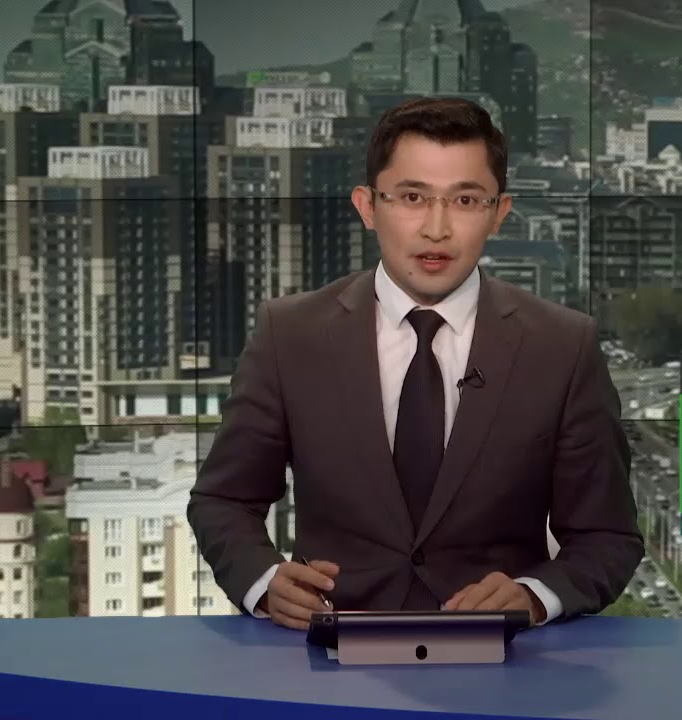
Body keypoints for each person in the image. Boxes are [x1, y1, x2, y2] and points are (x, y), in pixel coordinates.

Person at [188, 96, 643, 631]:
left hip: (502, 659)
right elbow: (223, 500)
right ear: (367, 206)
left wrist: (535, 596)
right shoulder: (290, 335)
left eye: (465, 200)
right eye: (411, 197)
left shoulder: (562, 346)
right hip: (330, 651)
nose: (436, 227)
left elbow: (607, 537)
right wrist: (265, 582)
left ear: (499, 213)